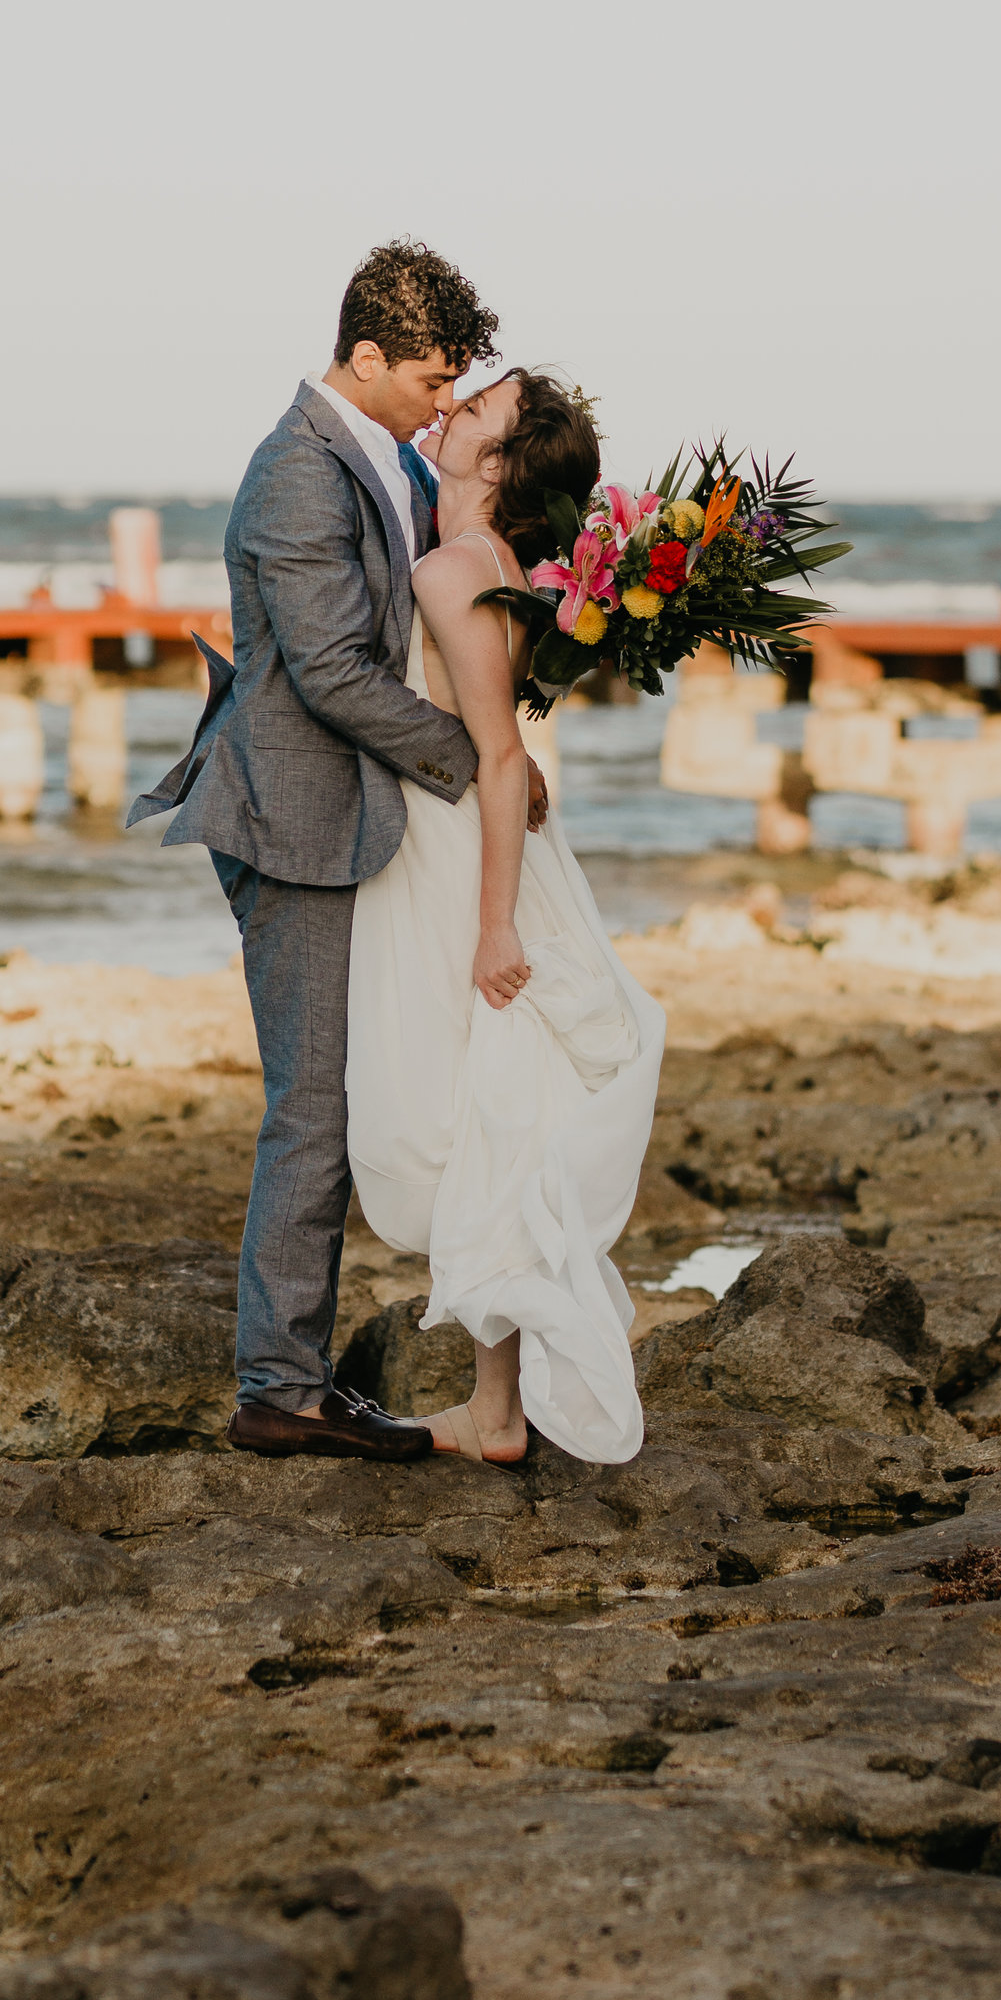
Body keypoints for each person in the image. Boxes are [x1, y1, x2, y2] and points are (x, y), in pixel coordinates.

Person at [128, 238, 540, 1462]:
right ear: (363, 358)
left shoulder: (382, 458)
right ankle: (281, 1391)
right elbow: (329, 674)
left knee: (346, 1095)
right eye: (428, 380)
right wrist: (482, 760)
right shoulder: (294, 476)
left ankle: (297, 1373)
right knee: (311, 1105)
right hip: (292, 821)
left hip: (355, 813)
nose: (443, 405)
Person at [346, 369, 665, 1465]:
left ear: (494, 464)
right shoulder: (502, 569)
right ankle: (493, 1409)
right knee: (498, 1111)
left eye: (480, 402)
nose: (459, 400)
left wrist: (494, 924)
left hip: (456, 860)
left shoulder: (452, 571)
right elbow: (504, 748)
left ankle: (496, 1409)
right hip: (469, 840)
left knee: (482, 1101)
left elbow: (491, 755)